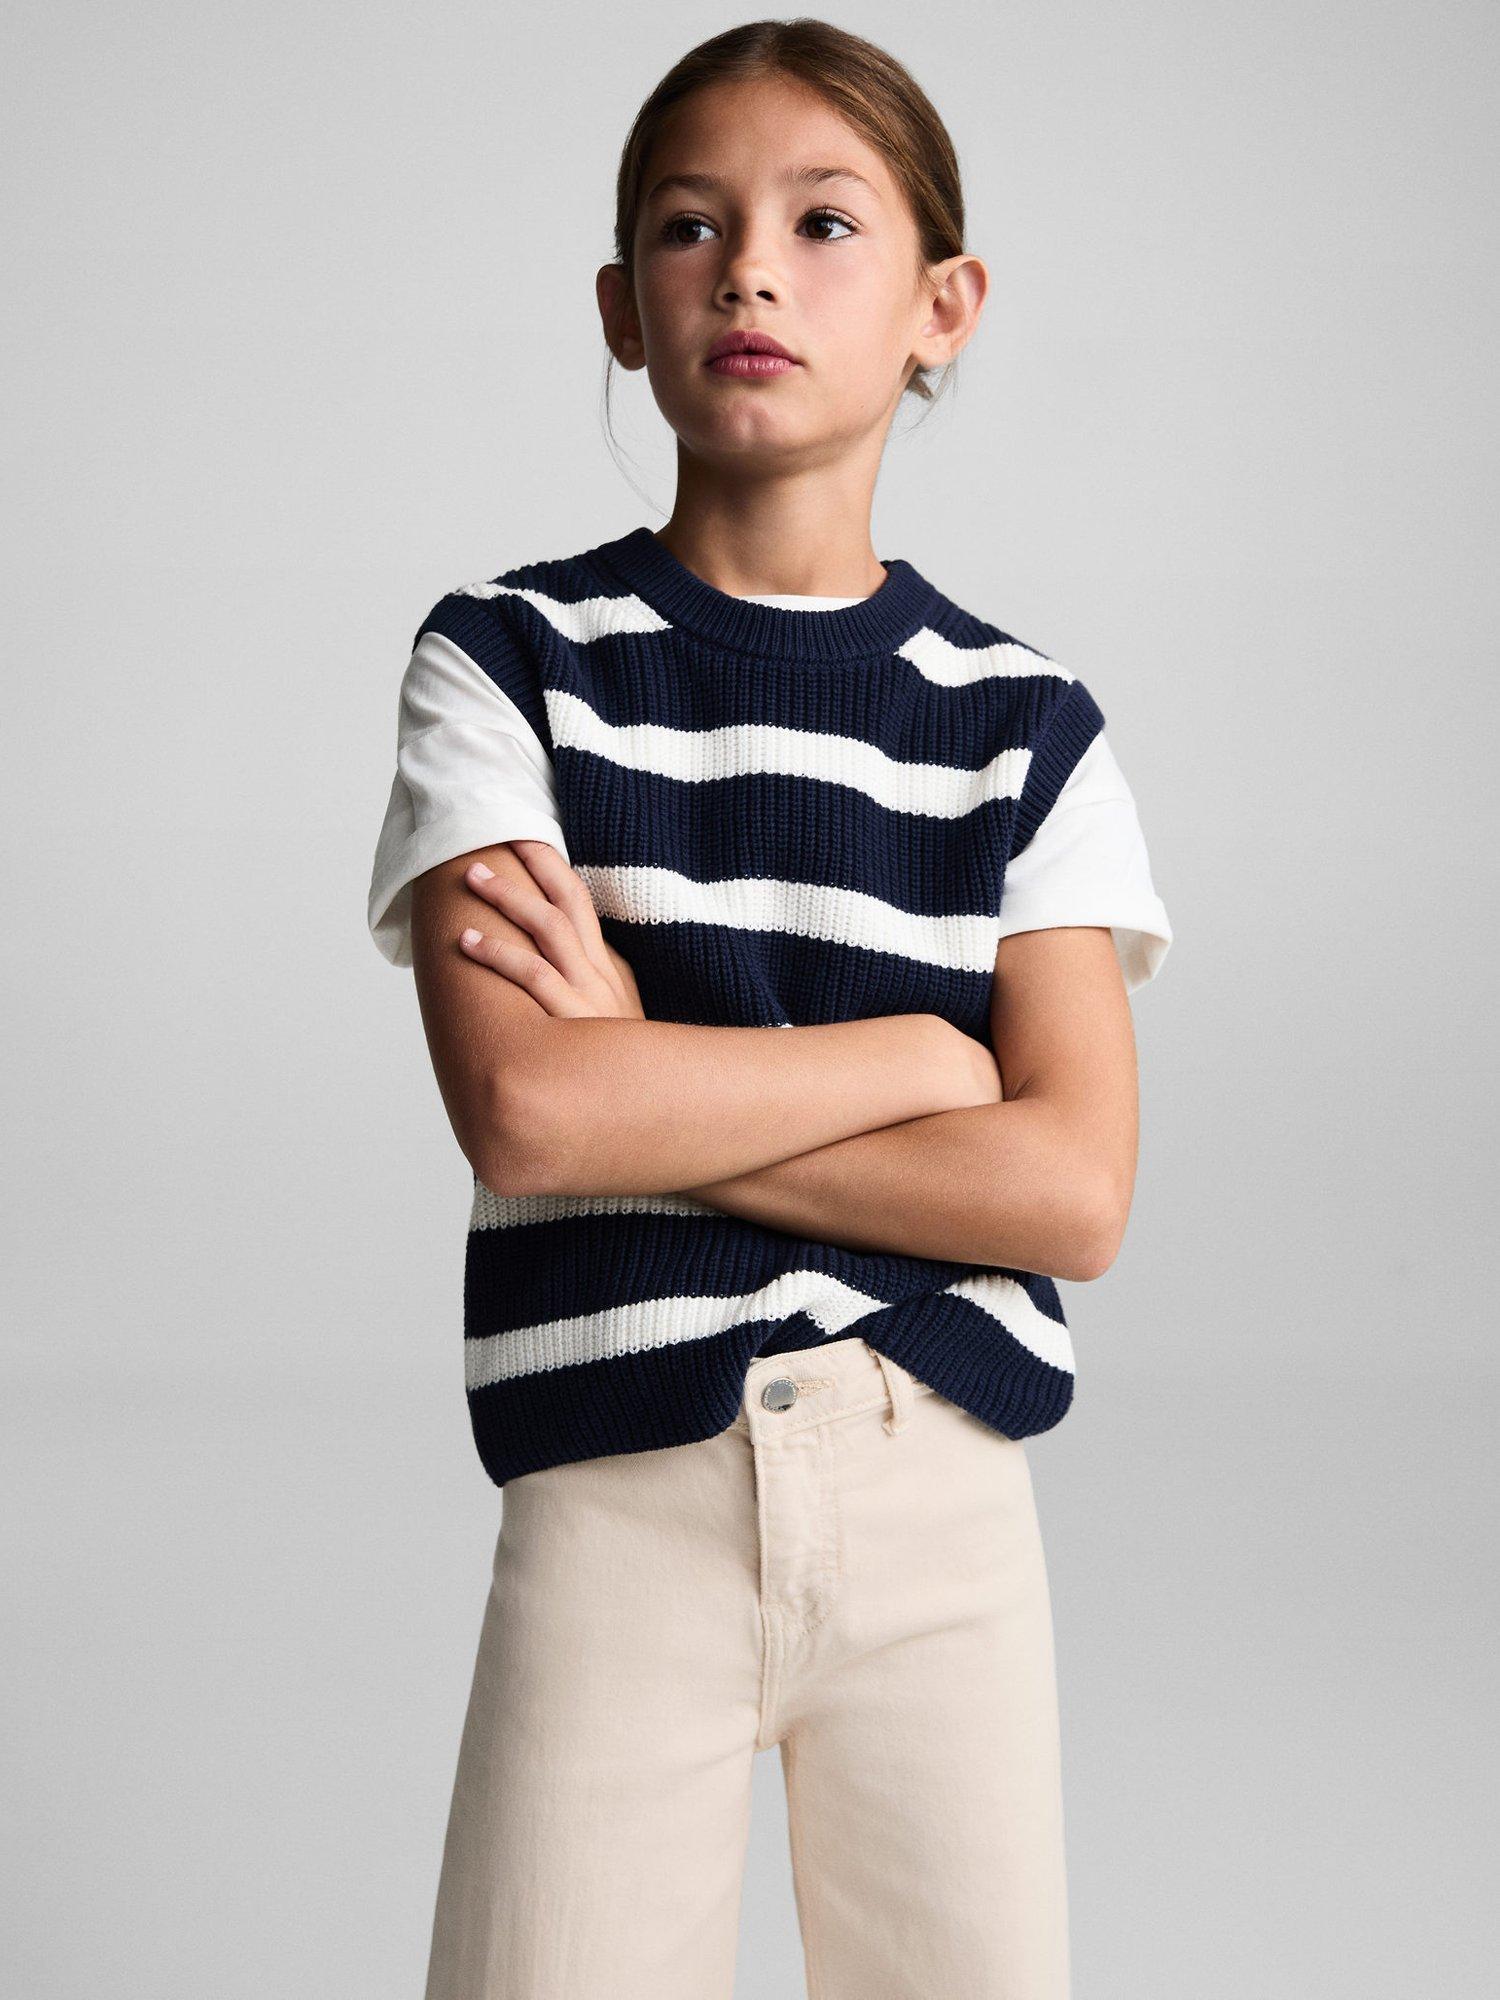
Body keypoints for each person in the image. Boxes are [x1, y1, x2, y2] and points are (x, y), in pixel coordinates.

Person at [366, 21, 1172, 1999]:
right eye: (688, 226)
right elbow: (534, 1116)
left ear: (941, 306)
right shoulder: (508, 663)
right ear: (620, 307)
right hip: (616, 1486)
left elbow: (1071, 1193)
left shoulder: (1027, 728)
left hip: (938, 1488)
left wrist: (655, 1074)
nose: (748, 273)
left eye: (824, 224)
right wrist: (921, 1062)